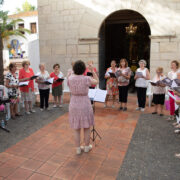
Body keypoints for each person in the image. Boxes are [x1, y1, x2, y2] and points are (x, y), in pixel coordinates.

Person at [67, 60, 99, 155]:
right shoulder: (86, 79)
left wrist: (72, 71)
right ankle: (86, 147)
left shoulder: (70, 78)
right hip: (85, 103)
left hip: (74, 103)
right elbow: (96, 81)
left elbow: (70, 76)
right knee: (86, 127)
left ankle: (77, 148)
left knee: (76, 128)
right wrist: (92, 70)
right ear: (84, 69)